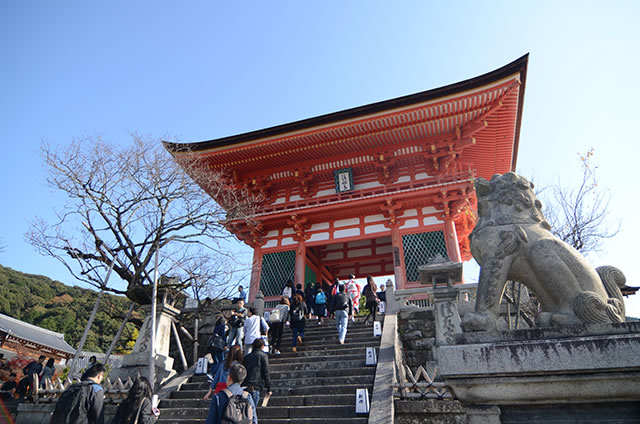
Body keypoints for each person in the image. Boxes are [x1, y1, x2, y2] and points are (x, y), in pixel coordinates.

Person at [242, 338, 272, 408]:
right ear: (262, 346)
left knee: (247, 409)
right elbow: (266, 372)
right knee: (252, 409)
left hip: (246, 384)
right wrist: (269, 388)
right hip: (256, 385)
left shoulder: (247, 357)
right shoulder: (263, 356)